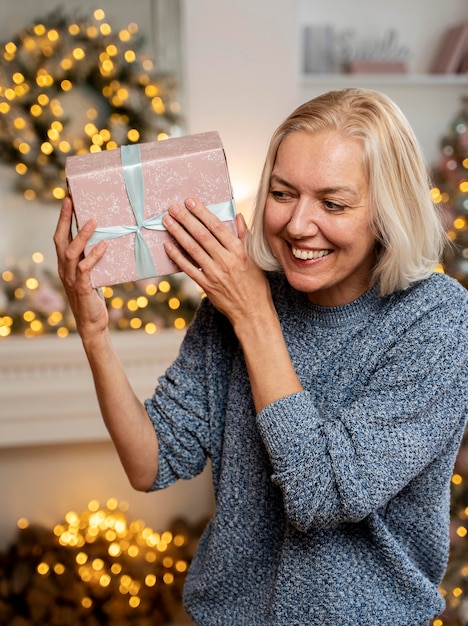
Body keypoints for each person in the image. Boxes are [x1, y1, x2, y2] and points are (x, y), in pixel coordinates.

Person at [54, 88, 468, 626]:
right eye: (282, 193)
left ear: (387, 212)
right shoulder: (238, 299)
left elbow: (323, 494)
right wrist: (93, 332)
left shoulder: (438, 320)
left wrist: (253, 314)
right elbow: (148, 462)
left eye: (333, 203)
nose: (298, 225)